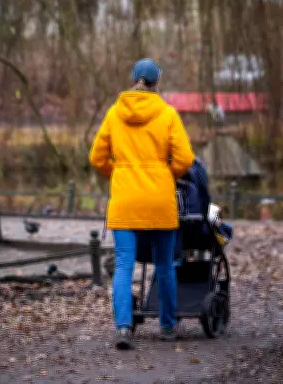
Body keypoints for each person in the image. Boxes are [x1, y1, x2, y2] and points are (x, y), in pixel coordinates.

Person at [89, 58, 195, 350]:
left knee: (124, 265)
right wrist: (165, 173)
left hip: (125, 202)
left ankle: (124, 328)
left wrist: (119, 173)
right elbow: (185, 159)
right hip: (159, 200)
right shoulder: (168, 114)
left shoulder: (114, 113)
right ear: (157, 82)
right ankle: (168, 327)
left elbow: (96, 158)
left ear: (133, 79)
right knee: (165, 265)